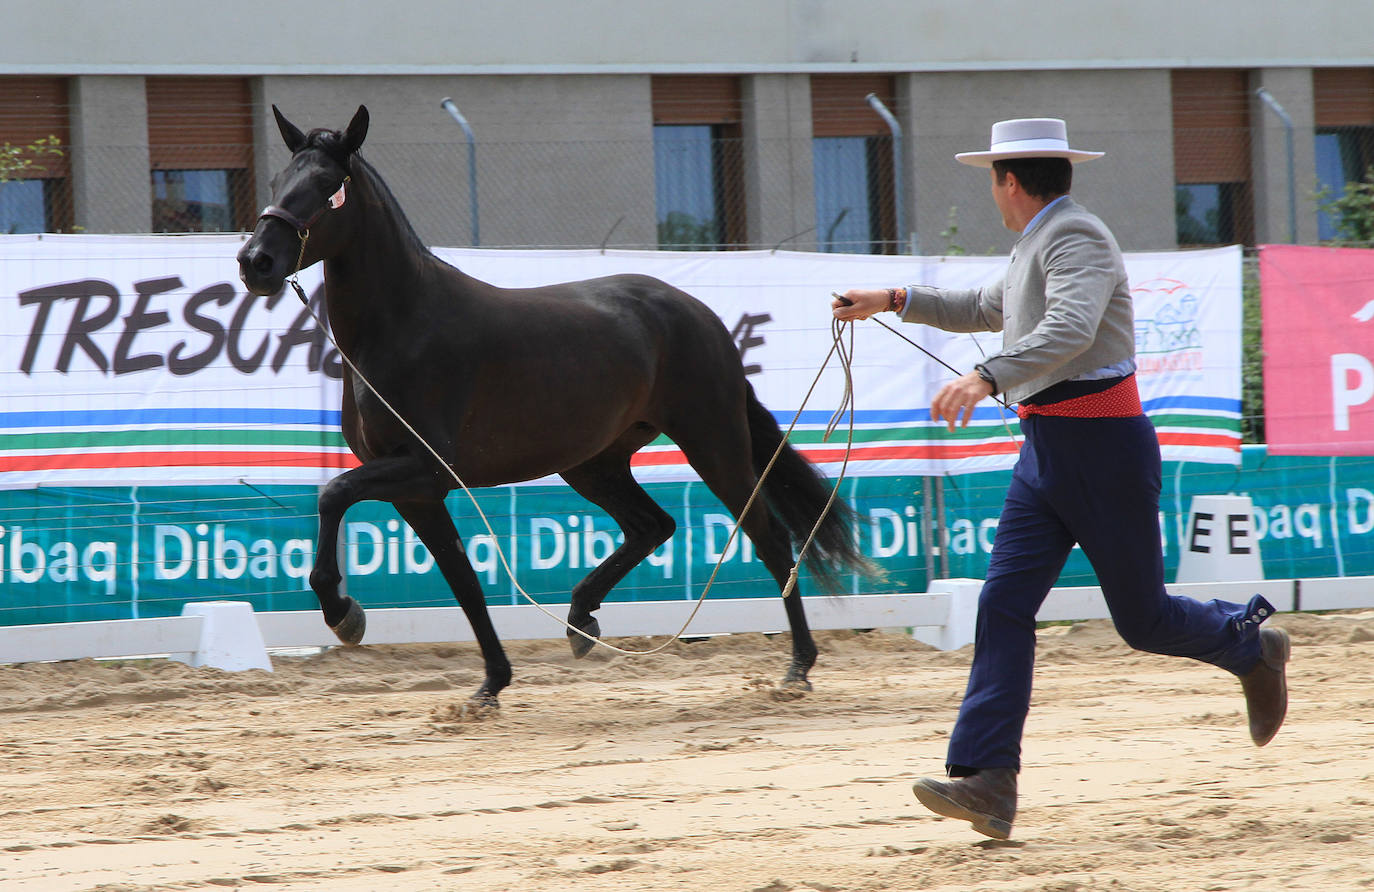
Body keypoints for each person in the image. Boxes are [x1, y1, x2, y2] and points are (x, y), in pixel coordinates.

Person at [831, 117, 1290, 840]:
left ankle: (1249, 644)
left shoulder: (1076, 238)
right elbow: (979, 308)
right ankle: (987, 781)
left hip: (1100, 446)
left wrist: (987, 375)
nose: (992, 189)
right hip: (1048, 448)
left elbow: (1072, 328)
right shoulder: (1037, 243)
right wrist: (891, 298)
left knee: (1143, 620)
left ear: (1008, 180)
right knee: (1004, 604)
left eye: (991, 177)